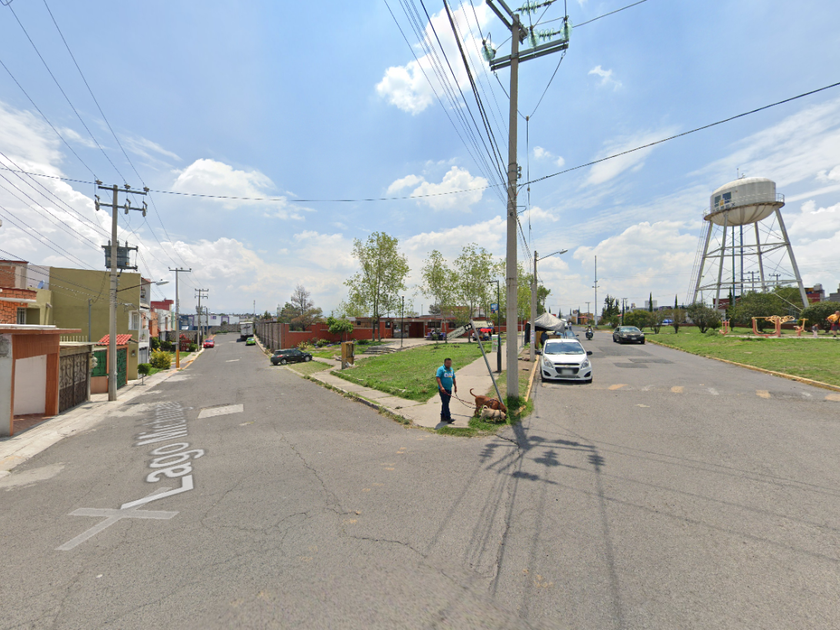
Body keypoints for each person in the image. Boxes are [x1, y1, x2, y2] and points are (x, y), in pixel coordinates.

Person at [436, 358, 457, 424]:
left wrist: (455, 386)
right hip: (443, 390)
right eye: (447, 363)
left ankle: (443, 416)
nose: (449, 364)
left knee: (446, 403)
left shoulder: (451, 369)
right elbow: (438, 378)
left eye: (450, 363)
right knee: (445, 403)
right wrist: (441, 387)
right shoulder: (441, 369)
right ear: (444, 363)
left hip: (449, 389)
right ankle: (448, 418)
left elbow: (453, 378)